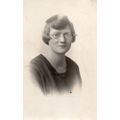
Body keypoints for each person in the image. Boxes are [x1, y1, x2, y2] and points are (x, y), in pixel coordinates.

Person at [30, 14, 82, 95]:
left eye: (66, 34)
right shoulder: (34, 68)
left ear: (72, 37)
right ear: (47, 37)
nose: (62, 40)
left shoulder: (74, 67)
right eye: (56, 35)